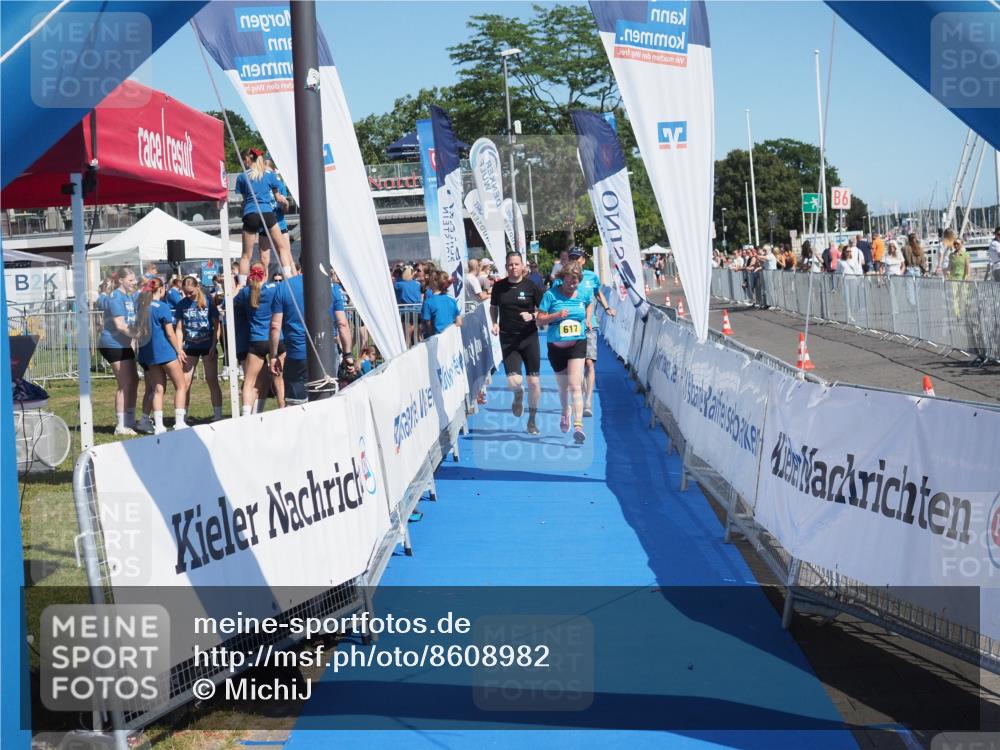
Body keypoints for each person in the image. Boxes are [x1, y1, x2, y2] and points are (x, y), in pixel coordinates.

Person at [536, 261, 594, 444]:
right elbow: (539, 320)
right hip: (556, 346)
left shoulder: (583, 293)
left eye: (575, 282)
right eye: (569, 281)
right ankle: (565, 411)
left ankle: (578, 426)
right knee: (563, 387)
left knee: (575, 385)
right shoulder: (550, 295)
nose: (572, 285)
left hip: (577, 343)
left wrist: (588, 319)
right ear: (562, 279)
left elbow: (589, 303)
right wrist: (555, 316)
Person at [490, 251, 545, 434]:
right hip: (508, 339)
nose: (513, 267)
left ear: (523, 266)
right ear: (506, 267)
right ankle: (518, 394)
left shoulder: (532, 286)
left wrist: (534, 315)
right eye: (510, 265)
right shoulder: (499, 287)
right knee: (514, 382)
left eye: (516, 264)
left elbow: (545, 311)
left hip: (529, 338)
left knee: (534, 382)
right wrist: (494, 323)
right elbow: (493, 307)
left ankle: (532, 420)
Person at [556, 248, 615, 416]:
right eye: (572, 257)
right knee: (577, 364)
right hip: (570, 326)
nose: (575, 259)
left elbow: (597, 295)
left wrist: (607, 307)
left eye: (578, 257)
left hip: (589, 325)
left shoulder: (591, 277)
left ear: (583, 260)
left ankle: (588, 401)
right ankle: (579, 396)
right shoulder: (563, 278)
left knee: (589, 363)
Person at [132, 278, 188, 434]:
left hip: (150, 354)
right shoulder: (162, 307)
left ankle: (159, 425)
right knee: (181, 385)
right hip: (165, 352)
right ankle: (179, 422)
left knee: (157, 389)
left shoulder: (142, 307)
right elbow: (170, 333)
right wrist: (178, 350)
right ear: (161, 290)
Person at [235, 147, 291, 278]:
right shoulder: (269, 175)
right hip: (267, 214)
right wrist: (286, 203)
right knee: (282, 247)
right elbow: (278, 198)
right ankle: (288, 278)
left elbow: (244, 201)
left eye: (244, 160)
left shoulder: (242, 177)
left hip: (250, 214)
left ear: (248, 160)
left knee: (245, 255)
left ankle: (242, 286)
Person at [235, 262, 282, 415]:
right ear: (266, 274)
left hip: (257, 340)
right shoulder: (274, 289)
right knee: (278, 379)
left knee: (250, 381)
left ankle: (247, 414)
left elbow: (228, 305)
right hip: (277, 339)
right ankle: (280, 410)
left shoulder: (245, 293)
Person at [98, 267, 140, 435]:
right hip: (112, 344)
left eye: (134, 279)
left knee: (134, 380)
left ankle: (130, 419)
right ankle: (120, 425)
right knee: (124, 384)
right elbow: (120, 325)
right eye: (130, 280)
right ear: (121, 280)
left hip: (124, 344)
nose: (134, 282)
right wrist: (139, 335)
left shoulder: (128, 296)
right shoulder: (115, 297)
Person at [174, 277, 223, 422]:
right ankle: (183, 416)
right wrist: (179, 349)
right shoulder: (182, 304)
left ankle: (218, 414)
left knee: (212, 380)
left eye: (190, 292)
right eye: (185, 293)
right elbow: (179, 328)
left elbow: (216, 327)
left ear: (197, 287)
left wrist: (214, 345)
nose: (188, 296)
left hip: (207, 345)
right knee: (185, 383)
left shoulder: (208, 302)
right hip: (189, 346)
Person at [259, 158, 293, 277]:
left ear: (274, 171)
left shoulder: (279, 185)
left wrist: (285, 204)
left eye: (270, 172)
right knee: (264, 258)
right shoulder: (259, 184)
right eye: (265, 172)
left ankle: (290, 280)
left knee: (286, 254)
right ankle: (263, 284)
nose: (267, 175)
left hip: (279, 223)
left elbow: (284, 211)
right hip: (264, 225)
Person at [421, 270, 463, 336]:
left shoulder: (428, 302)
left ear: (434, 282)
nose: (428, 280)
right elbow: (459, 322)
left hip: (437, 339)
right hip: (452, 338)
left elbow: (428, 326)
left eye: (430, 278)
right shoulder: (451, 299)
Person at [394, 265, 423, 346]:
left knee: (407, 337)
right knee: (418, 336)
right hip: (418, 311)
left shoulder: (398, 285)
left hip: (406, 312)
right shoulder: (417, 284)